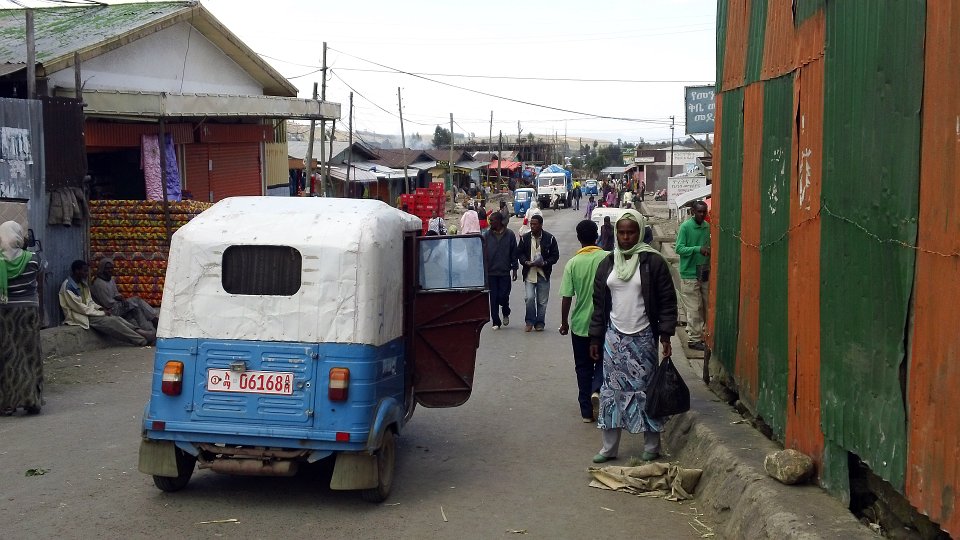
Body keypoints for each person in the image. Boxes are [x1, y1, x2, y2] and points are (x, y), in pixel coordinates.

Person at [589, 209, 677, 463]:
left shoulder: (653, 262)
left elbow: (667, 301)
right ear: (616, 233)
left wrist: (666, 335)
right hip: (614, 339)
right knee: (611, 392)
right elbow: (599, 305)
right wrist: (595, 338)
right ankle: (609, 448)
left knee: (646, 391)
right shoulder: (607, 263)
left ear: (639, 233)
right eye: (622, 232)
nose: (626, 237)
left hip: (643, 338)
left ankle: (652, 445)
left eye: (631, 232)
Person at [559, 220, 608, 422]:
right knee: (604, 363)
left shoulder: (572, 263)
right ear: (597, 236)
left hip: (580, 326)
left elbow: (567, 297)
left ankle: (586, 411)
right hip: (605, 324)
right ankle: (598, 389)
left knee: (582, 367)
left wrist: (564, 323)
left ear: (579, 238)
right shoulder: (608, 258)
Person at [0, 221, 44, 415]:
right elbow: (39, 281)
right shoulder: (33, 259)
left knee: (7, 356)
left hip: (4, 314)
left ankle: (6, 404)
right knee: (29, 355)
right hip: (28, 312)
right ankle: (30, 400)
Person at [59, 260, 153, 346]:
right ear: (77, 271)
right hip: (81, 316)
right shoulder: (68, 287)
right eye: (85, 271)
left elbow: (89, 302)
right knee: (113, 322)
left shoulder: (83, 284)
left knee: (116, 318)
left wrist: (100, 309)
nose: (87, 274)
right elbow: (81, 309)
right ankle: (141, 339)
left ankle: (141, 332)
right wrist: (102, 312)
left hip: (90, 313)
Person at [675, 200, 711, 351]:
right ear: (693, 212)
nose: (702, 214)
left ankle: (699, 334)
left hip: (704, 271)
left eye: (704, 212)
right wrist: (697, 249)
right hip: (689, 272)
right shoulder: (685, 227)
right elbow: (679, 249)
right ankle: (694, 339)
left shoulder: (707, 227)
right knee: (694, 308)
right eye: (699, 212)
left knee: (706, 306)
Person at [90, 258, 159, 333]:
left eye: (111, 268)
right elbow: (107, 303)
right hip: (110, 310)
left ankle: (148, 331)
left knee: (136, 309)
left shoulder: (110, 279)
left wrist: (121, 298)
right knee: (136, 300)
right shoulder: (99, 283)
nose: (109, 270)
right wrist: (121, 302)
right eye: (107, 268)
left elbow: (116, 294)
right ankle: (154, 319)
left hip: (116, 305)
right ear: (102, 269)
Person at [517, 214, 559, 332]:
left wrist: (545, 263)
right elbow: (519, 253)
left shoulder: (550, 238)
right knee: (529, 298)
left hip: (543, 274)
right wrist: (526, 262)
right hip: (529, 273)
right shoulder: (525, 238)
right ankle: (529, 321)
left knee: (542, 301)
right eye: (531, 224)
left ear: (541, 225)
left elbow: (555, 256)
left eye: (535, 224)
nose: (532, 226)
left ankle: (540, 323)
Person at [482, 212, 518, 330]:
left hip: (504, 272)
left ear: (499, 221)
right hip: (491, 272)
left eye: (492, 220)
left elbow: (514, 253)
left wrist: (515, 269)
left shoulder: (510, 235)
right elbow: (482, 252)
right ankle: (496, 321)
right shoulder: (486, 235)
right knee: (493, 298)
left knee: (503, 296)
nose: (490, 222)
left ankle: (506, 311)